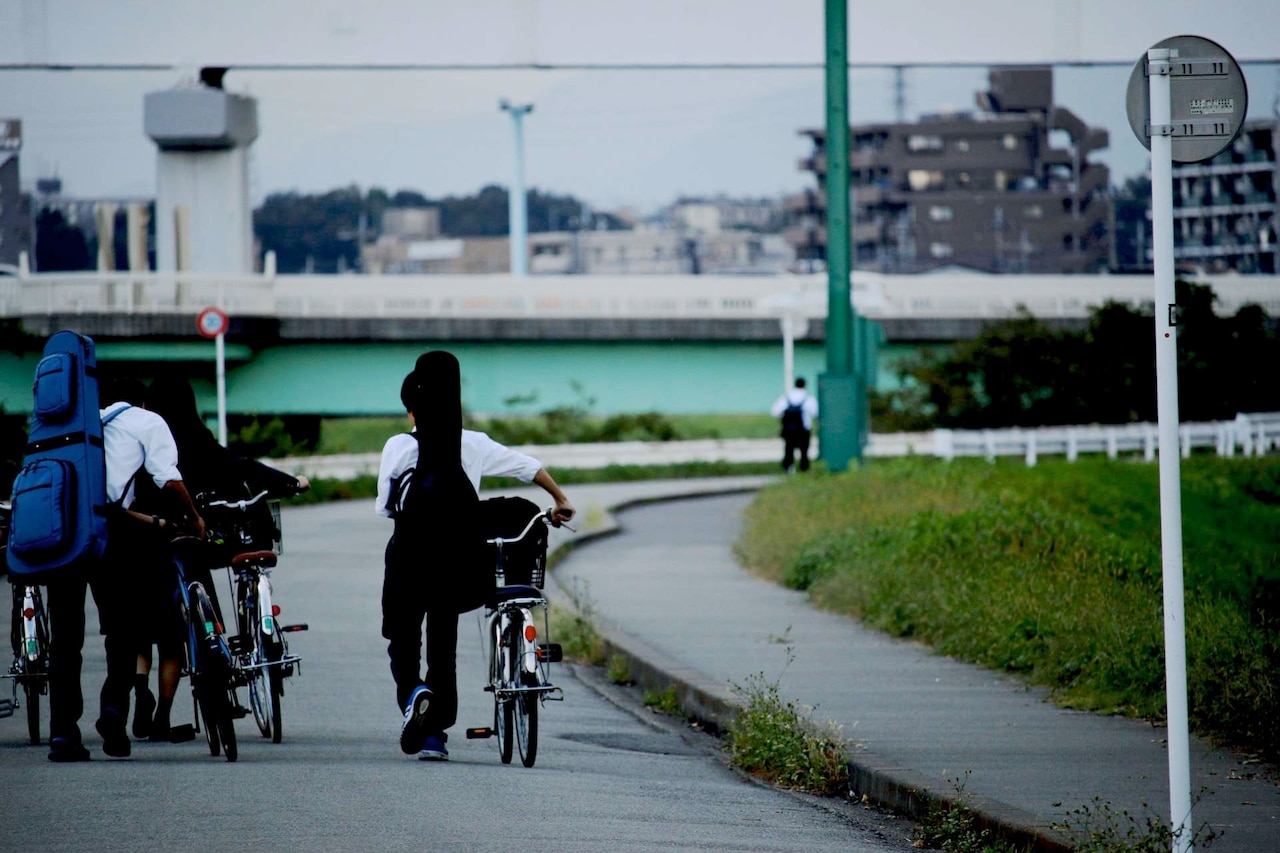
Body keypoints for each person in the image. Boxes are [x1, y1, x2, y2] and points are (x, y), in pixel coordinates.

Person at [376, 350, 574, 761]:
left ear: (412, 410)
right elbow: (528, 467)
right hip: (457, 560)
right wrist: (559, 499)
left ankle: (414, 693)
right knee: (442, 649)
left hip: (410, 556)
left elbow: (386, 507)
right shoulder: (473, 442)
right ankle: (435, 735)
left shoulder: (399, 445)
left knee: (402, 639)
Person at [129, 375, 310, 740]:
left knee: (151, 630)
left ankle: (142, 695)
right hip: (201, 540)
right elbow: (242, 465)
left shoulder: (146, 447)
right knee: (199, 609)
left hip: (153, 544)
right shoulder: (202, 442)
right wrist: (291, 482)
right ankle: (180, 699)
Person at [46, 377, 206, 761]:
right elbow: (168, 478)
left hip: (62, 532)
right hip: (110, 535)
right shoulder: (145, 421)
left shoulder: (76, 427)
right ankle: (113, 713)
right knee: (122, 630)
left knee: (65, 638)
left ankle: (64, 733)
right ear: (142, 402)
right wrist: (193, 517)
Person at [771, 377, 819, 473]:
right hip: (804, 429)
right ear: (805, 385)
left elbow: (775, 412)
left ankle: (789, 467)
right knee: (804, 450)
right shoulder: (808, 399)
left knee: (789, 448)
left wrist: (786, 416)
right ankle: (804, 468)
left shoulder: (786, 398)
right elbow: (815, 413)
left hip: (789, 429)